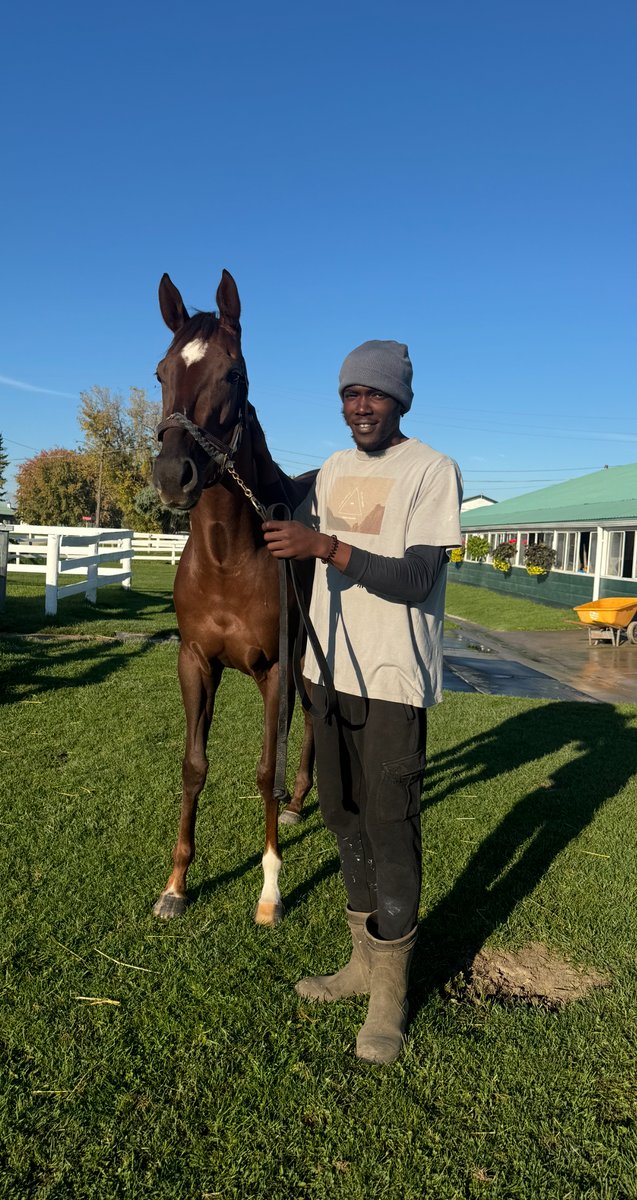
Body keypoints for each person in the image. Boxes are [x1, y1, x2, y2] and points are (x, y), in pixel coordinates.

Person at [263, 340, 462, 1064]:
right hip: (327, 675)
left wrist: (328, 548)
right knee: (341, 814)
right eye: (349, 394)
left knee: (390, 823)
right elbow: (281, 513)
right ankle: (359, 964)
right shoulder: (333, 471)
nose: (359, 406)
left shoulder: (431, 471)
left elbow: (415, 578)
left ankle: (390, 996)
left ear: (399, 399)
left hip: (391, 680)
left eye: (373, 394)